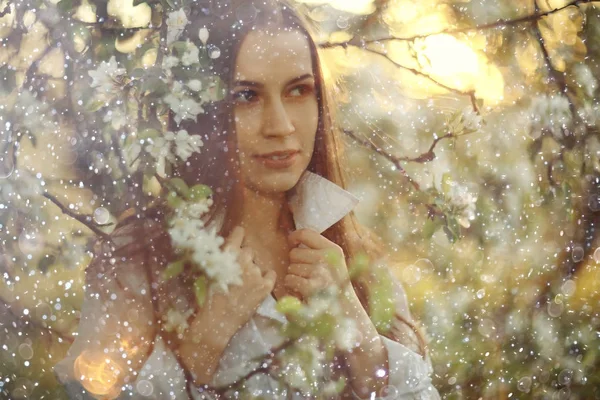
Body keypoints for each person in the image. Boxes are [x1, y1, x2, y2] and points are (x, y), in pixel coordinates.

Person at [53, 0, 441, 399]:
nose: (281, 125)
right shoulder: (144, 259)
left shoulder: (351, 257)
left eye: (298, 90)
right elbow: (90, 392)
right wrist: (207, 337)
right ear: (201, 111)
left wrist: (355, 326)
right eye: (245, 96)